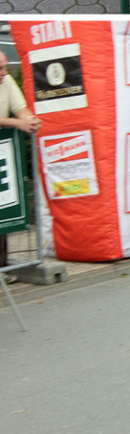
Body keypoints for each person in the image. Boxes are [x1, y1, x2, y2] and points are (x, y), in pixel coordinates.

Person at [0, 51, 42, 282]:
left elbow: (20, 108)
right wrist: (17, 123)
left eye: (5, 66)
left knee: (3, 209)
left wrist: (29, 119)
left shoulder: (5, 80)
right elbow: (14, 118)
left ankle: (2, 267)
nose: (4, 72)